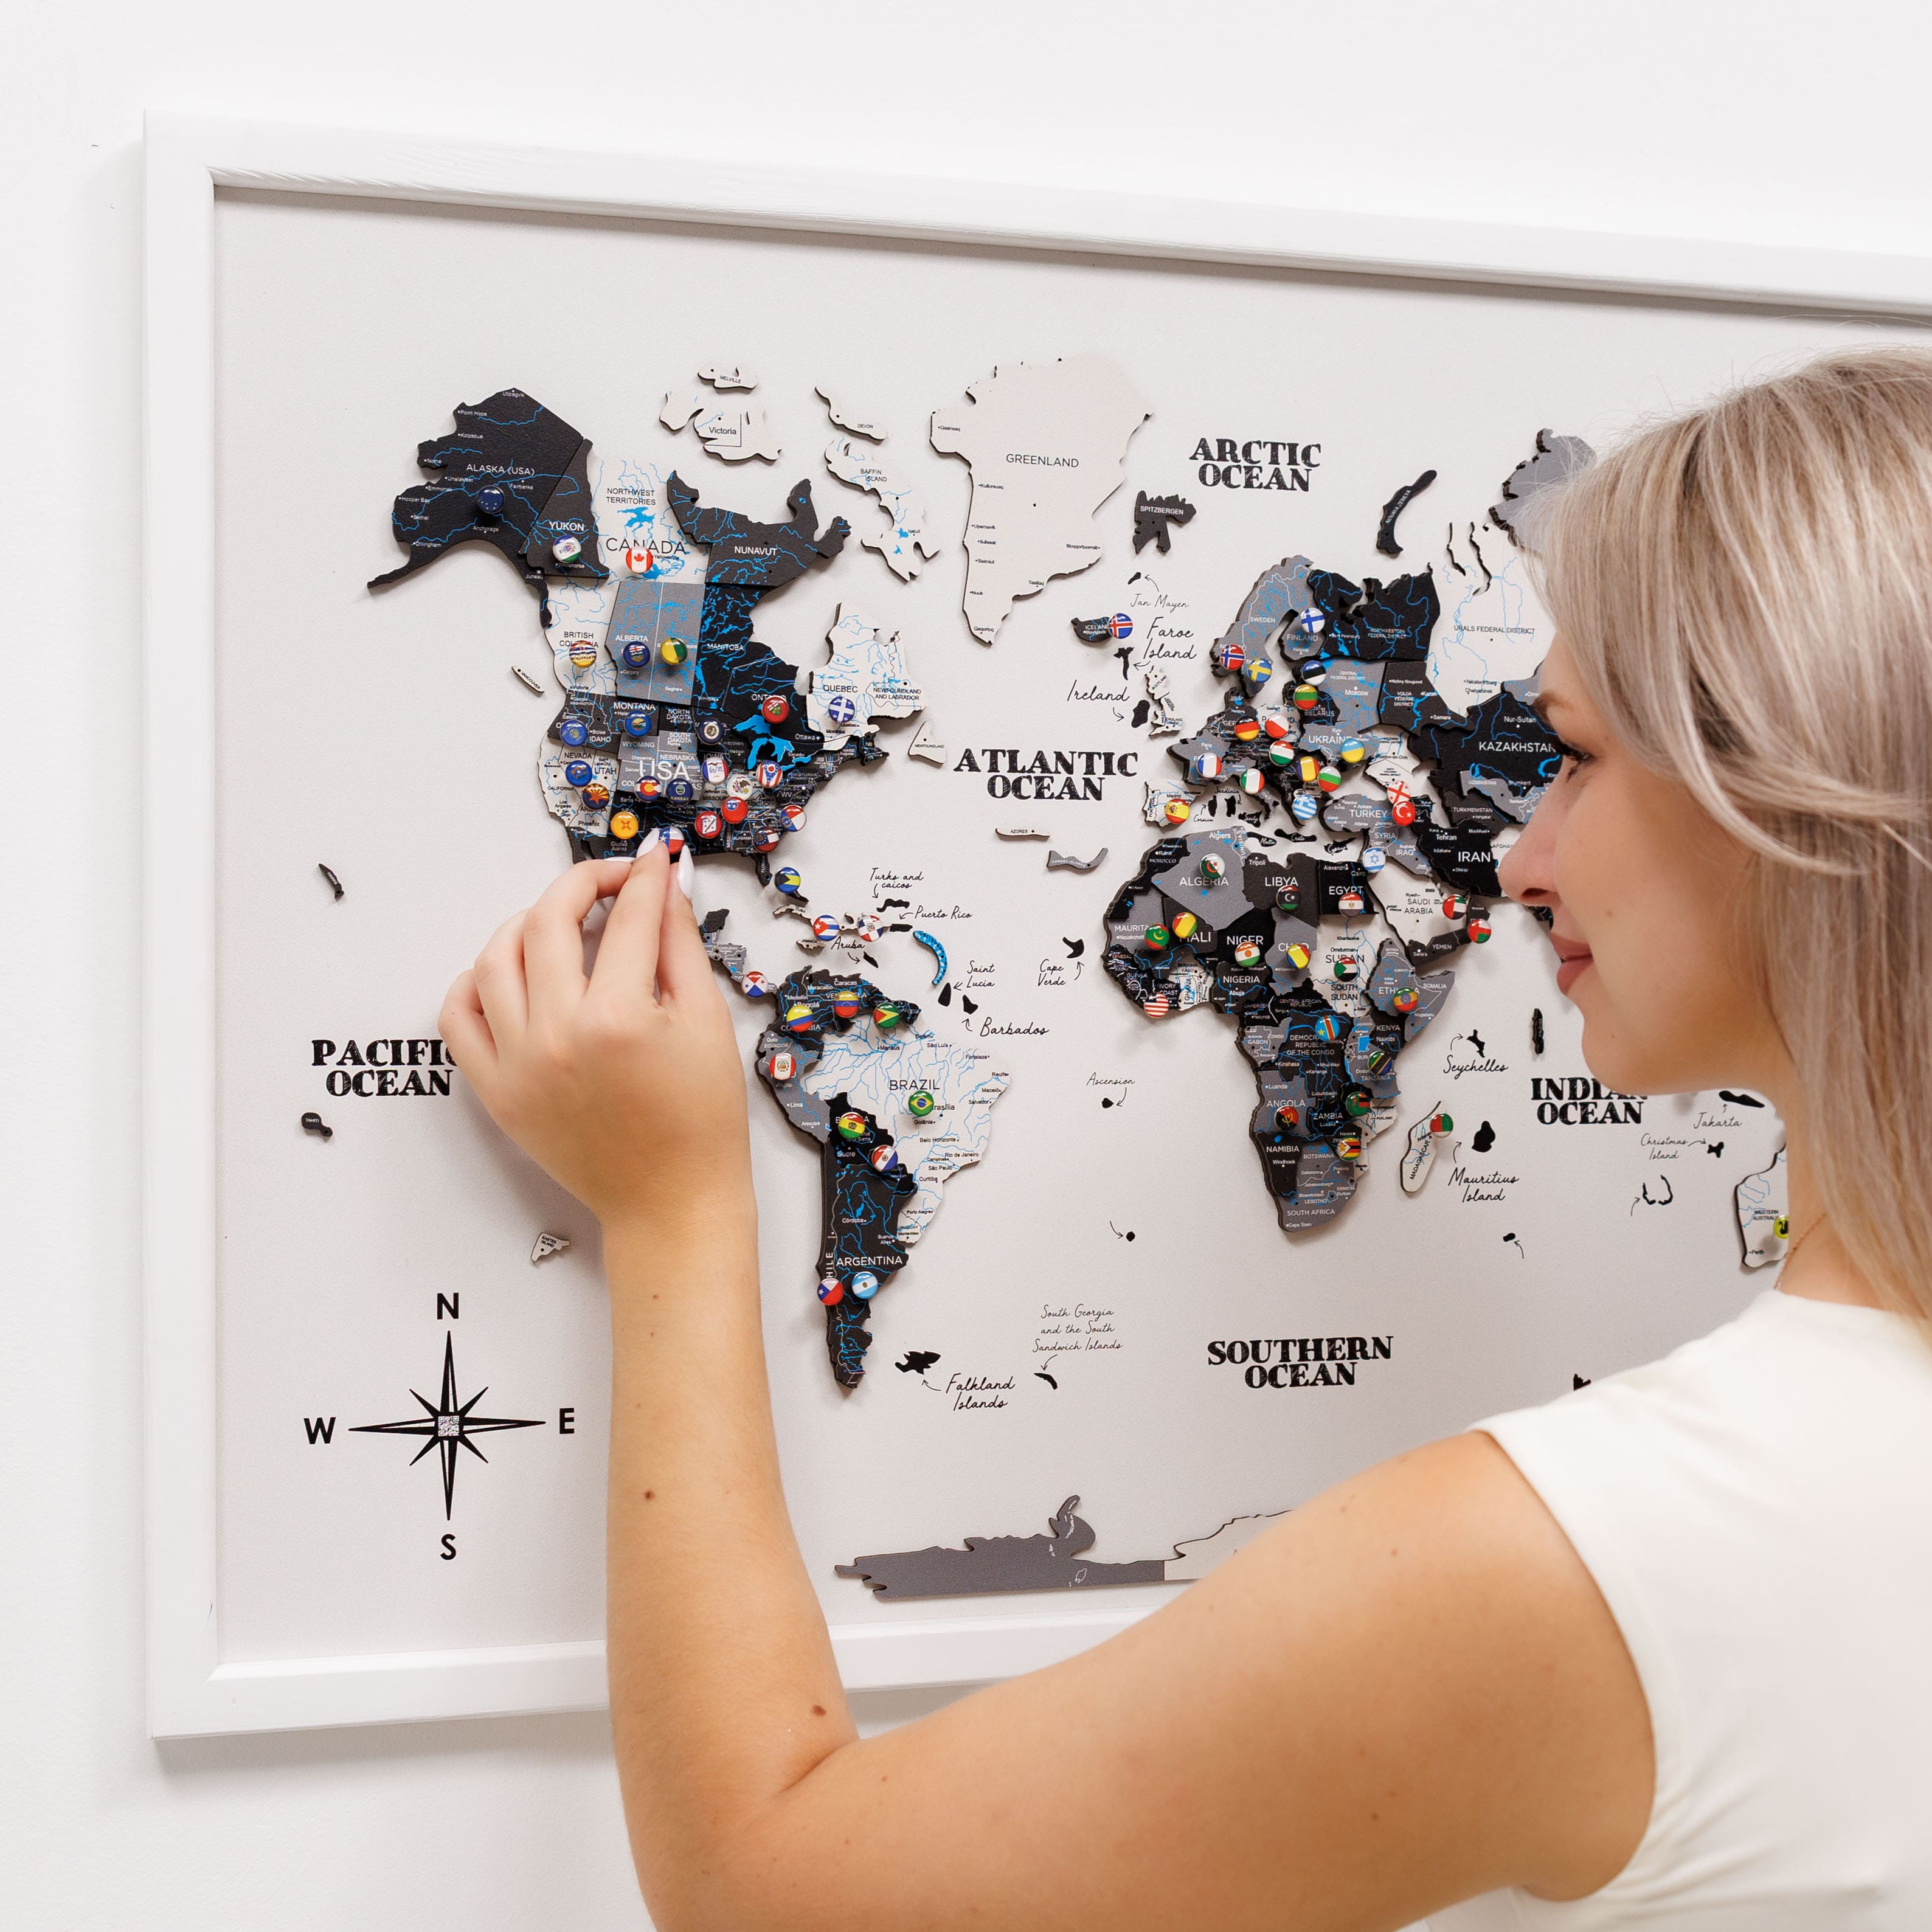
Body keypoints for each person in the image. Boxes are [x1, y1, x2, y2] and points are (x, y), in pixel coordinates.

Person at [439, 348, 1932, 1930]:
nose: (1519, 855)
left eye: (1568, 753)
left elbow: (765, 1894)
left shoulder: (1582, 1561)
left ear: (1777, 793)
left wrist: (674, 1213)